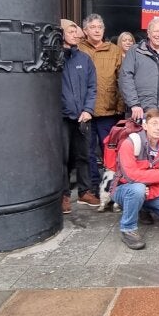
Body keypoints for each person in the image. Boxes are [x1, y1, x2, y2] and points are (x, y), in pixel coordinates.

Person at [112, 108, 159, 250]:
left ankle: (140, 206)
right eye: (154, 123)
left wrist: (149, 193)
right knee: (137, 189)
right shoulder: (130, 143)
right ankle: (128, 229)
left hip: (147, 191)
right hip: (122, 189)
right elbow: (131, 175)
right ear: (145, 126)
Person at [78, 13, 124, 197]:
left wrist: (121, 107)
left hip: (109, 110)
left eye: (100, 27)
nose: (97, 30)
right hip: (85, 111)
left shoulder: (114, 51)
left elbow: (122, 80)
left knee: (110, 152)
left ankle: (112, 187)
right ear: (85, 31)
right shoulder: (79, 49)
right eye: (93, 27)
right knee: (87, 152)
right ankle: (93, 188)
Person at [61, 19, 97, 212]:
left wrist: (88, 110)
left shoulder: (84, 59)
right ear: (61, 34)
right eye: (71, 31)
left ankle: (84, 192)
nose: (76, 34)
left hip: (82, 116)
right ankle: (64, 195)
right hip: (62, 118)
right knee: (63, 157)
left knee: (84, 155)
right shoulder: (55, 58)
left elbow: (92, 86)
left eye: (76, 31)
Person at [118, 18, 159, 123]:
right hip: (139, 112)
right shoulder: (135, 51)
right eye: (156, 31)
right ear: (148, 33)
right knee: (138, 139)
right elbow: (125, 78)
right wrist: (134, 104)